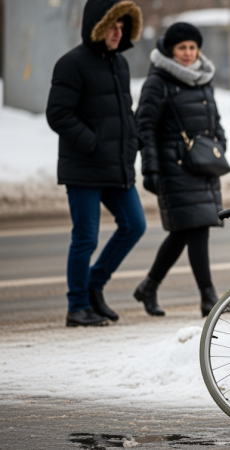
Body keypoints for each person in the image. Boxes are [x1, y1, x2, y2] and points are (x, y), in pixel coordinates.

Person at [47, 0, 145, 327]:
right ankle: (77, 306)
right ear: (97, 26)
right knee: (85, 238)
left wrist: (133, 141)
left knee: (134, 225)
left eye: (122, 27)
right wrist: (93, 143)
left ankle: (94, 287)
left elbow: (123, 113)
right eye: (111, 27)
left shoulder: (120, 64)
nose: (118, 33)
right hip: (84, 168)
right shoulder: (71, 64)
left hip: (116, 165)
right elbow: (58, 114)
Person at [133, 23, 226, 317]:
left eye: (192, 47)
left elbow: (214, 117)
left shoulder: (203, 78)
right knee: (195, 229)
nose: (187, 54)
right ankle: (208, 296)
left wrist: (220, 141)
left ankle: (149, 286)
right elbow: (144, 127)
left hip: (202, 164)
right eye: (181, 48)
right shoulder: (158, 82)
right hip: (173, 167)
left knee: (185, 231)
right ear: (170, 51)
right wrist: (150, 169)